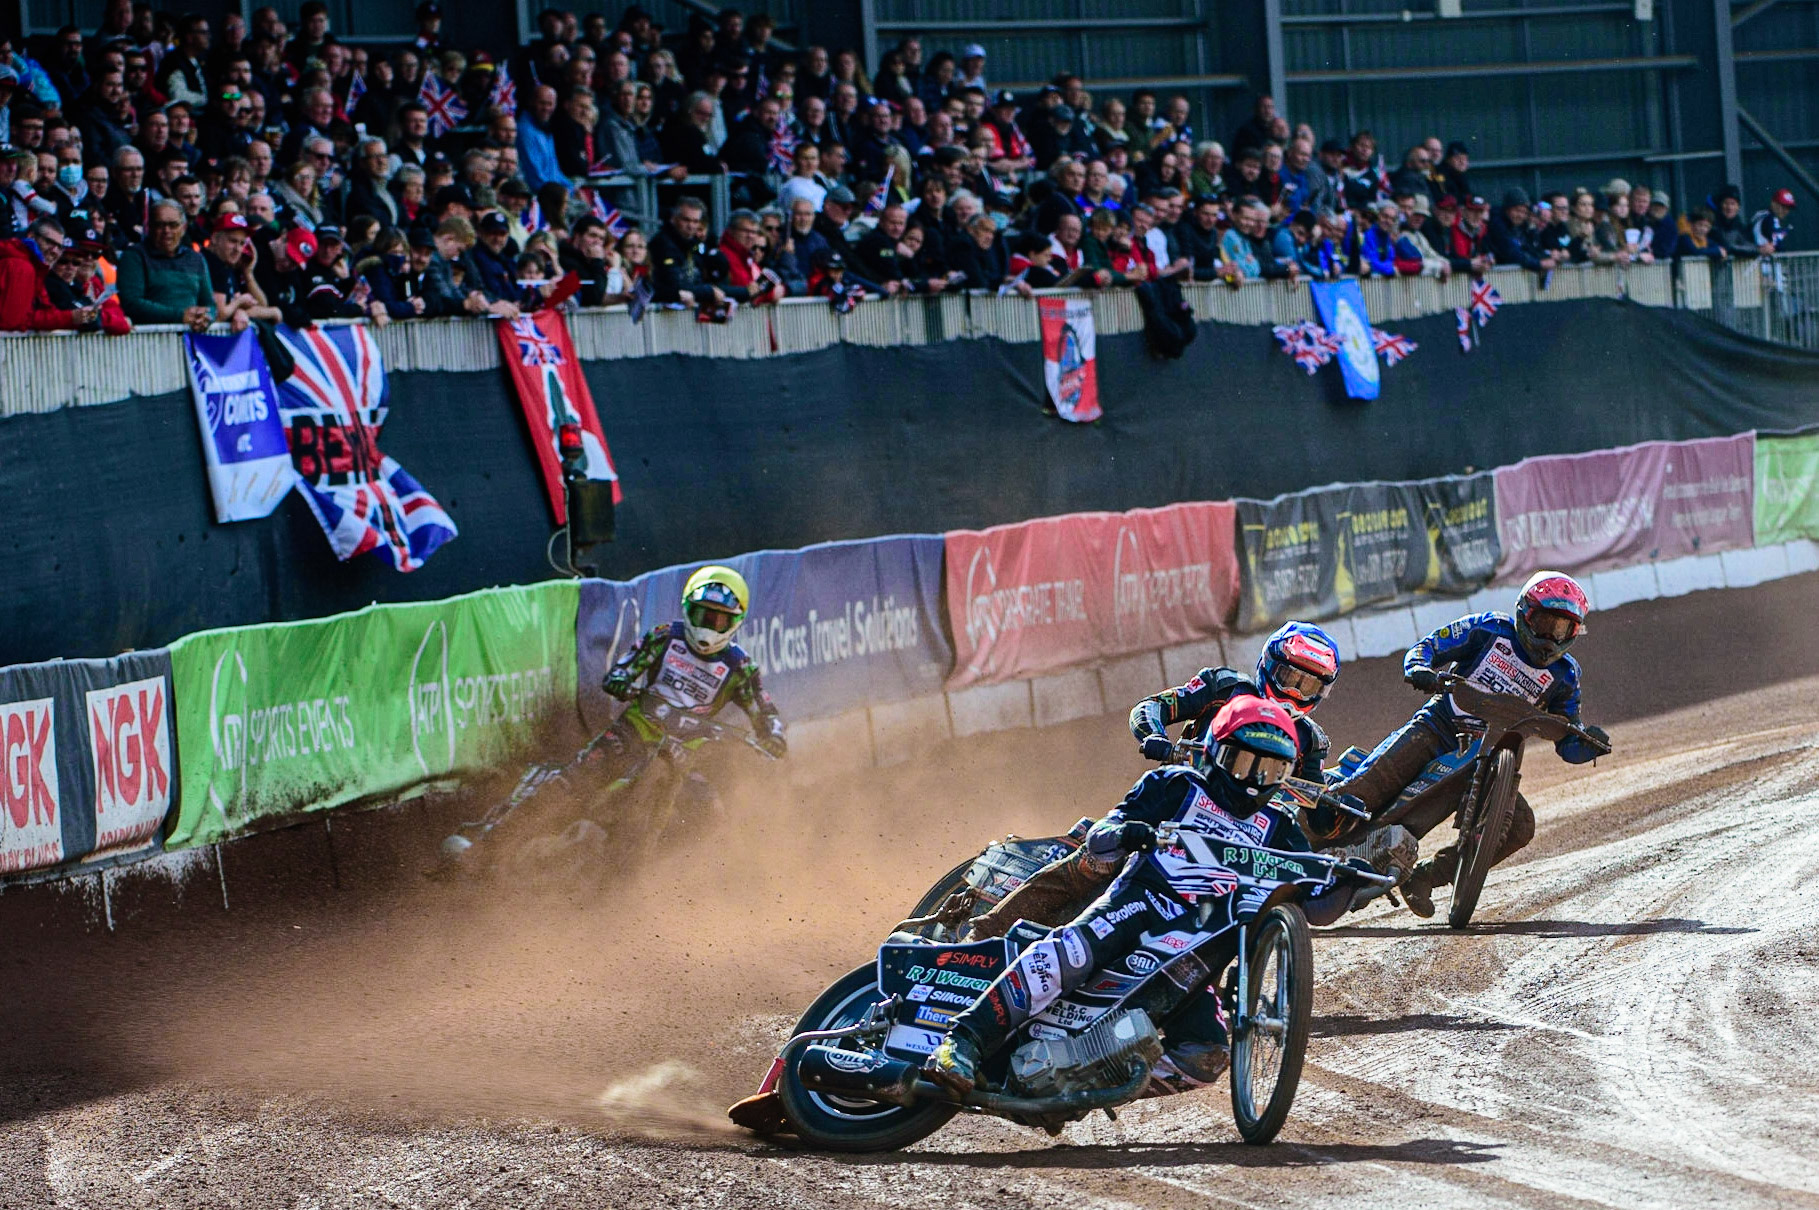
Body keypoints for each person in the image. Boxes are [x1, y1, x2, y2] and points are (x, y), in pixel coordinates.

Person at [925, 697, 1352, 1098]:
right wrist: (1128, 833)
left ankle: (1083, 1084)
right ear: (1217, 753)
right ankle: (960, 1041)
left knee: (1206, 1054)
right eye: (1245, 765)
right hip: (1140, 904)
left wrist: (1348, 881)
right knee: (1071, 952)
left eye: (1272, 772)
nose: (1256, 782)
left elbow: (1317, 905)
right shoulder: (1175, 785)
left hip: (1199, 949)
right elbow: (1099, 838)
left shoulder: (1280, 828)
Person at [1328, 572, 1610, 917]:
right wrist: (1419, 668)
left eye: (1561, 629)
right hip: (1439, 727)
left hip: (1491, 762)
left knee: (1520, 827)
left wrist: (1588, 744)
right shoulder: (1489, 628)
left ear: (1574, 633)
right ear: (1524, 613)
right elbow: (1429, 646)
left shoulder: (1566, 675)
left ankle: (1428, 876)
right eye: (1544, 624)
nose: (1550, 637)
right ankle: (1310, 831)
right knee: (1370, 785)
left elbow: (1567, 737)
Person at [596, 567, 788, 785]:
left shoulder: (739, 666)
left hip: (691, 746)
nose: (709, 626)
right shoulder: (664, 636)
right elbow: (623, 669)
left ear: (735, 621)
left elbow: (763, 711)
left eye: (719, 620)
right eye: (701, 615)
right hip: (638, 725)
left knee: (704, 795)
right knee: (584, 769)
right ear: (688, 608)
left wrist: (774, 736)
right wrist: (619, 681)